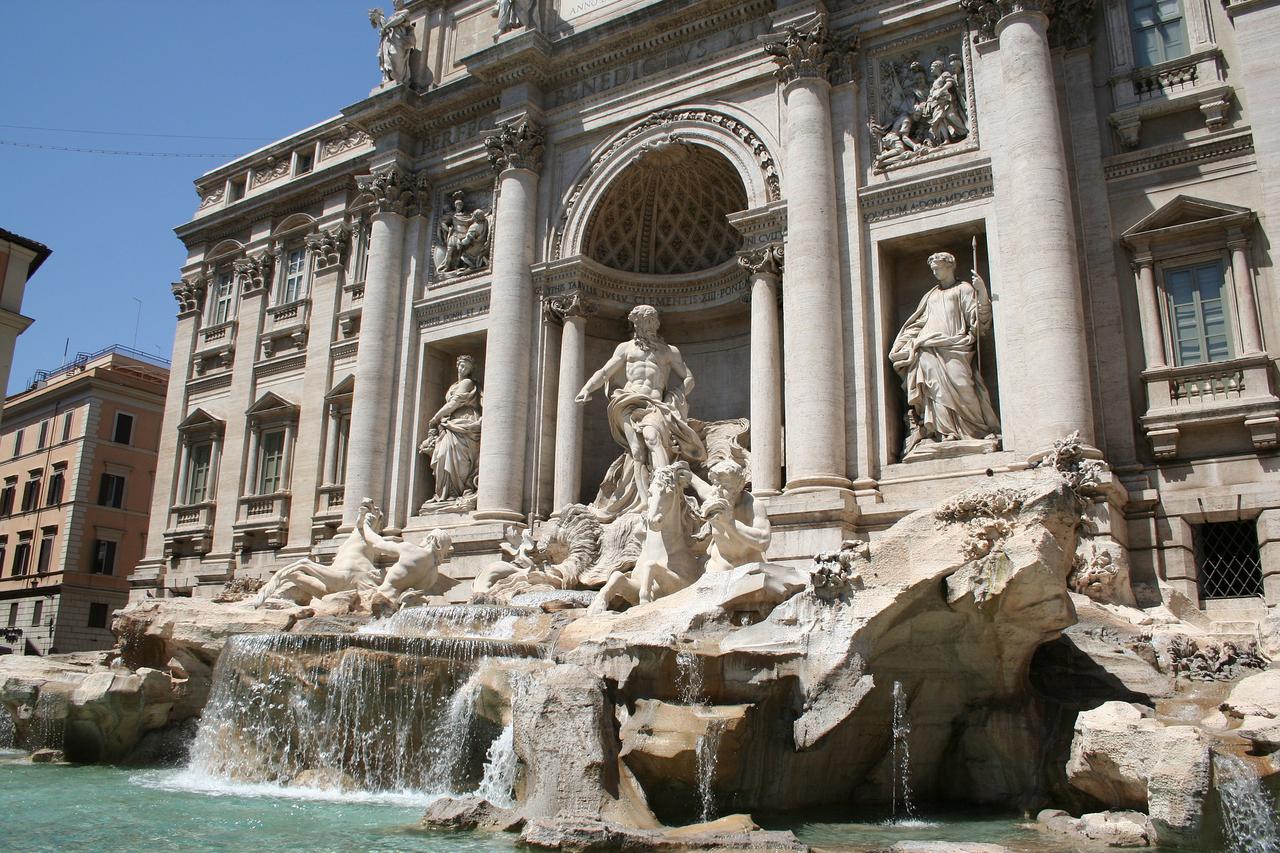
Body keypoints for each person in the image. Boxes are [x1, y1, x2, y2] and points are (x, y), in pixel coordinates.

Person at [576, 305, 706, 520]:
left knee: (652, 437)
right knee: (636, 452)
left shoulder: (668, 351)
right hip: (628, 401)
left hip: (655, 404)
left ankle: (665, 492)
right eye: (641, 322)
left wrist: (675, 396)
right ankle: (645, 501)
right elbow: (605, 371)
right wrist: (586, 388)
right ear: (635, 324)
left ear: (656, 323)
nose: (647, 326)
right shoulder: (625, 348)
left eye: (650, 322)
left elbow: (688, 377)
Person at [889, 252, 1000, 457]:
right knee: (935, 390)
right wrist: (903, 343)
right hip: (928, 348)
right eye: (932, 269)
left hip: (956, 346)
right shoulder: (930, 296)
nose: (934, 272)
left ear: (950, 266)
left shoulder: (964, 289)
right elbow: (918, 323)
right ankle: (945, 432)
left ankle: (975, 430)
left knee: (963, 384)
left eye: (937, 267)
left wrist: (982, 293)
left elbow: (978, 322)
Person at [420, 355, 482, 502]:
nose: (463, 369)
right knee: (442, 456)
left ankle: (458, 490)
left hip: (464, 421)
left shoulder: (467, 383)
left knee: (459, 458)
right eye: (461, 366)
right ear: (456, 366)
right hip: (450, 423)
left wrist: (435, 418)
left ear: (471, 370)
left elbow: (454, 403)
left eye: (466, 367)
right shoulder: (453, 385)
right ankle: (447, 493)